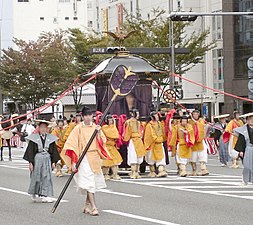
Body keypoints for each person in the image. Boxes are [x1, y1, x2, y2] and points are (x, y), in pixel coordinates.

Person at [61, 106, 110, 216]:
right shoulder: (78, 128)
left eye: (90, 115)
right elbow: (72, 144)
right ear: (82, 117)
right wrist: (74, 161)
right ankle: (93, 207)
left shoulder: (96, 128)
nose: (88, 118)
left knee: (92, 182)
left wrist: (98, 133)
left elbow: (102, 142)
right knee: (89, 183)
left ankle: (86, 206)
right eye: (86, 116)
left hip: (94, 157)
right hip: (83, 158)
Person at [23, 119, 60, 203]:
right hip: (37, 159)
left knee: (46, 176)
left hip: (47, 159)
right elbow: (30, 151)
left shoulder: (50, 138)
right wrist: (30, 163)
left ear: (47, 128)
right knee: (36, 176)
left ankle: (45, 195)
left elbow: (53, 150)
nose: (43, 129)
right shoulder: (34, 138)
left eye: (45, 127)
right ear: (38, 128)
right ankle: (34, 193)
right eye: (41, 127)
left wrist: (53, 161)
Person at [123, 109, 146, 179]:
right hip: (133, 141)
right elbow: (126, 132)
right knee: (133, 157)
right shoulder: (128, 122)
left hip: (139, 141)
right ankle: (133, 172)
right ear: (133, 114)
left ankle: (137, 172)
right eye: (137, 114)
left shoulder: (139, 123)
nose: (138, 116)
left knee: (139, 157)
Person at [144, 111, 167, 177]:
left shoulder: (160, 123)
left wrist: (161, 139)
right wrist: (157, 139)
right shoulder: (149, 125)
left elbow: (163, 132)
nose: (157, 117)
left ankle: (161, 171)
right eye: (155, 116)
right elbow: (150, 135)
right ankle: (152, 172)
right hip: (152, 144)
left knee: (161, 159)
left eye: (157, 115)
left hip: (159, 144)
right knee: (151, 160)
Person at [102, 114, 123, 180]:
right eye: (109, 120)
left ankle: (115, 174)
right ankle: (106, 174)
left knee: (115, 161)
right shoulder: (104, 127)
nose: (111, 121)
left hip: (112, 146)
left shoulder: (113, 127)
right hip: (106, 146)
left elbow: (116, 135)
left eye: (112, 120)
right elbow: (110, 135)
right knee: (106, 162)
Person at [234, 112, 253, 185]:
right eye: (250, 119)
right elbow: (241, 141)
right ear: (247, 120)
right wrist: (241, 151)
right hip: (248, 148)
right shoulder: (243, 130)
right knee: (247, 166)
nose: (252, 121)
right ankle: (245, 179)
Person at [189, 109, 209, 176]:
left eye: (197, 114)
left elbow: (200, 126)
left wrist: (195, 121)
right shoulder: (189, 122)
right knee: (193, 156)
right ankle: (194, 170)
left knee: (202, 154)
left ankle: (203, 169)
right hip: (193, 141)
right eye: (194, 114)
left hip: (200, 140)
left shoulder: (201, 120)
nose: (195, 115)